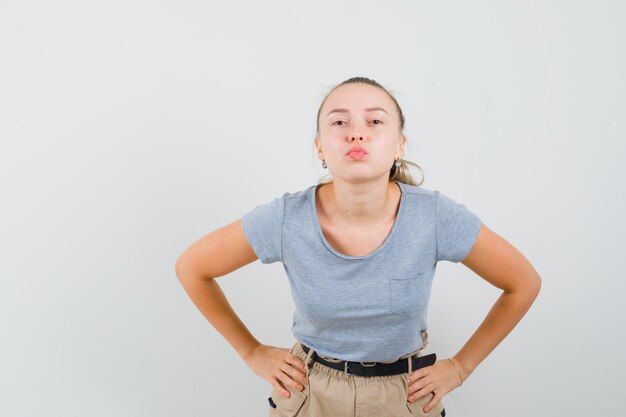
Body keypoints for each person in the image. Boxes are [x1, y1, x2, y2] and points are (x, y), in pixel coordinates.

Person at [175, 76, 542, 417]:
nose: (356, 134)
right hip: (310, 392)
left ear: (399, 144)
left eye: (375, 122)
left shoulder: (434, 216)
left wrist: (461, 367)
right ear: (319, 146)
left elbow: (523, 283)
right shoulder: (286, 217)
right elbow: (193, 268)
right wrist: (251, 352)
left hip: (405, 395)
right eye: (339, 122)